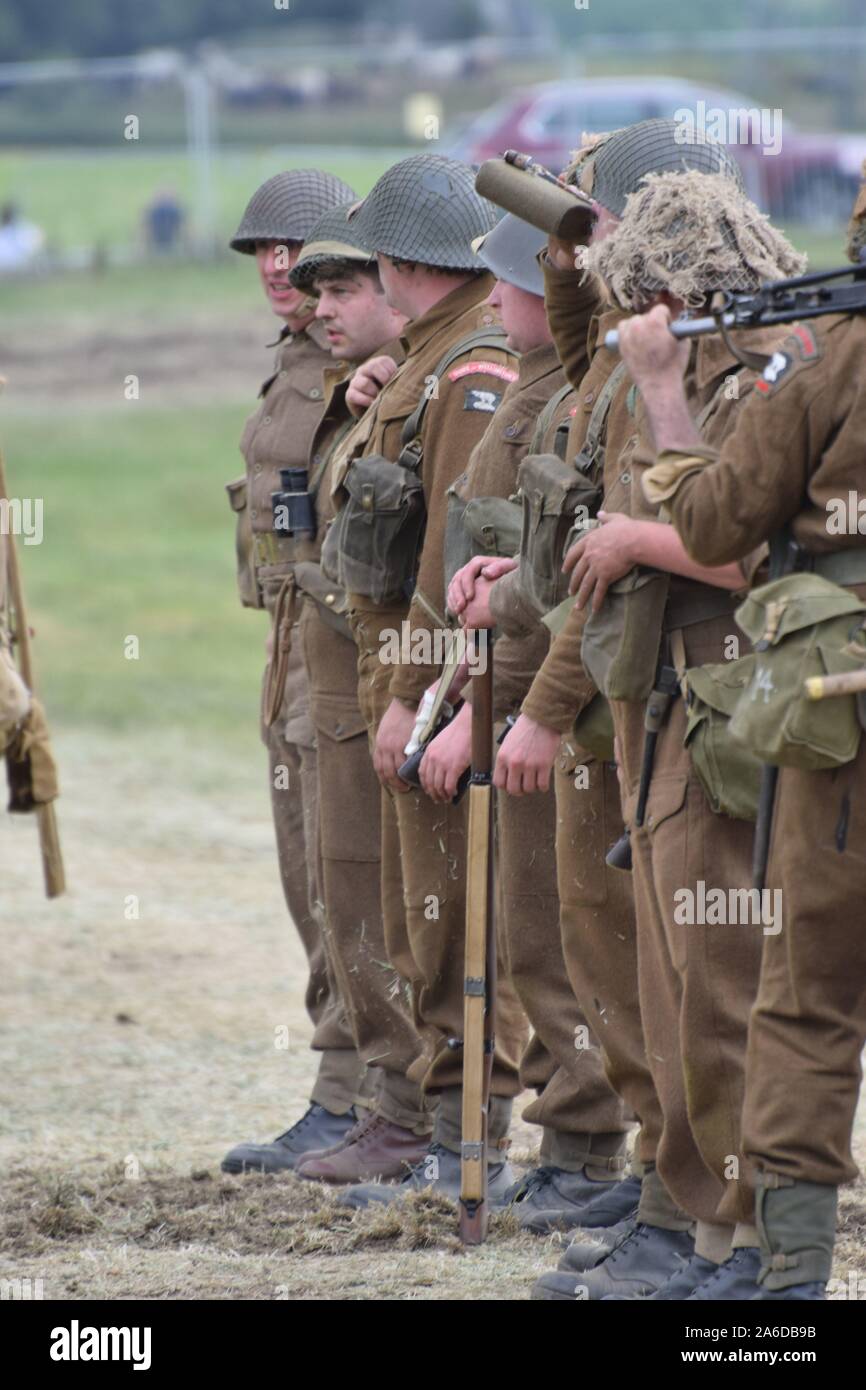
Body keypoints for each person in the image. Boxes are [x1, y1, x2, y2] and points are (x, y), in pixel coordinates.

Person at [614, 169, 866, 1300]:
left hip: (837, 719)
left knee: (807, 996)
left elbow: (713, 523)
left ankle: (789, 1279)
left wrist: (663, 395)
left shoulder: (825, 359)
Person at [419, 212, 639, 1232]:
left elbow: (583, 585)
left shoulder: (581, 396)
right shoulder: (556, 393)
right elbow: (536, 567)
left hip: (580, 702)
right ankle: (582, 1148)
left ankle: (590, 1150)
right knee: (545, 937)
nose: (497, 298)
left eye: (513, 282)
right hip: (533, 687)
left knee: (573, 937)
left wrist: (513, 707)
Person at [315, 154, 529, 1203]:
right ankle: (430, 1128)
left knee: (448, 928)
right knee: (419, 923)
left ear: (402, 262)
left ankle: (460, 1134)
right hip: (408, 682)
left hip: (434, 687)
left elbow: (455, 555)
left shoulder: (469, 370)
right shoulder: (427, 362)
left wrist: (419, 698)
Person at [279, 203, 434, 1183]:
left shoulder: (453, 383)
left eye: (347, 286)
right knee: (345, 897)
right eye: (317, 291)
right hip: (343, 679)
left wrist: (410, 692)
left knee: (395, 907)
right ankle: (387, 1110)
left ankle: (420, 1120)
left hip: (395, 687)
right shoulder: (364, 389)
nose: (323, 306)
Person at [221, 169, 369, 1175]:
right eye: (263, 251)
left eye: (297, 250)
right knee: (305, 877)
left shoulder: (366, 361)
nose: (278, 266)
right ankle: (344, 1092)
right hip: (289, 643)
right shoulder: (293, 361)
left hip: (347, 652)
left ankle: (368, 1100)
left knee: (349, 881)